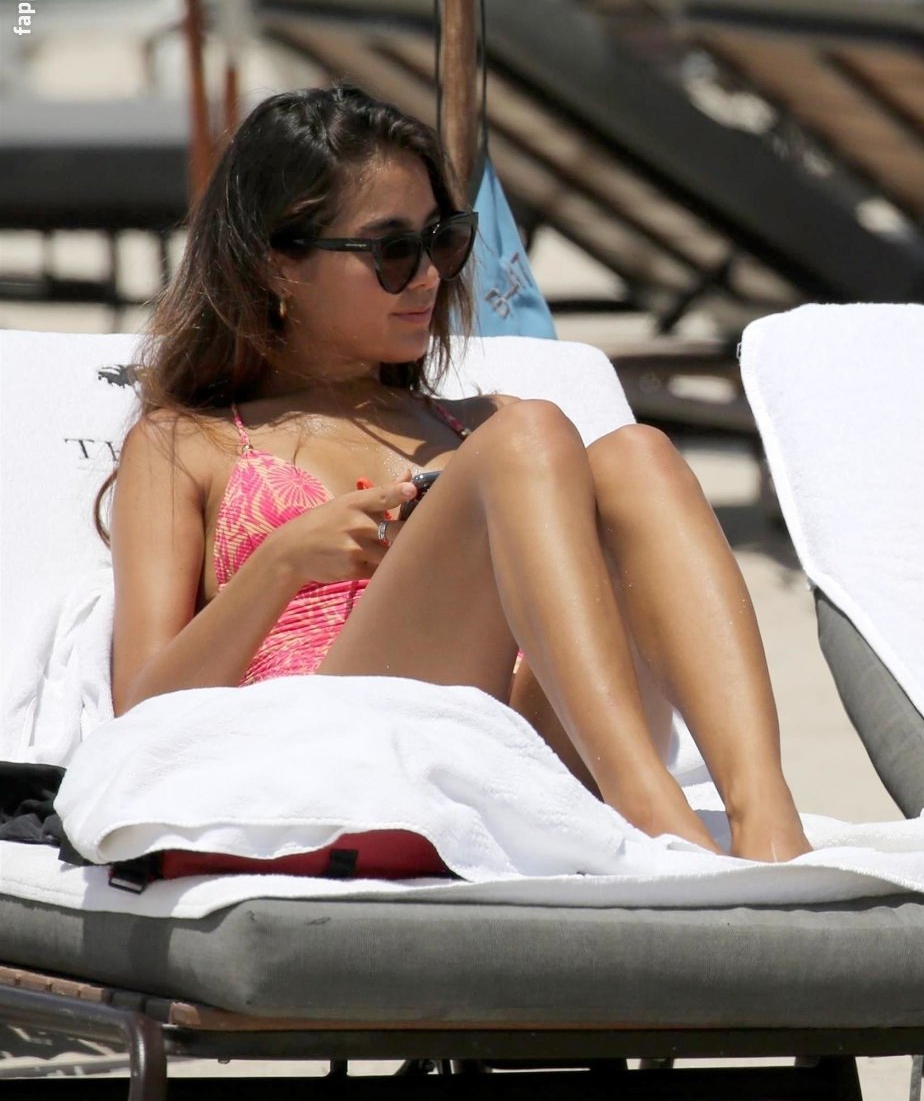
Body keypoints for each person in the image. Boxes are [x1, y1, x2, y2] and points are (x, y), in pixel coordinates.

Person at [104, 85, 810, 863]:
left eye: (442, 241)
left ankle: (769, 823)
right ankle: (650, 814)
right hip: (339, 771)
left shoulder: (480, 425)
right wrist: (281, 564)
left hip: (531, 751)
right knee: (529, 437)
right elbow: (141, 718)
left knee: (636, 455)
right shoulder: (187, 443)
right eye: (391, 252)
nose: (429, 278)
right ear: (279, 265)